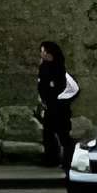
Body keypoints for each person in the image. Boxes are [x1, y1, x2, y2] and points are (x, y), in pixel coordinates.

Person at [36, 40, 79, 171]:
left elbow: (62, 88)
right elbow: (42, 86)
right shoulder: (43, 67)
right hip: (49, 107)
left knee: (63, 135)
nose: (42, 53)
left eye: (44, 51)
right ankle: (51, 159)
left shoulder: (58, 68)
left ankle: (69, 160)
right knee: (48, 134)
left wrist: (56, 99)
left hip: (60, 108)